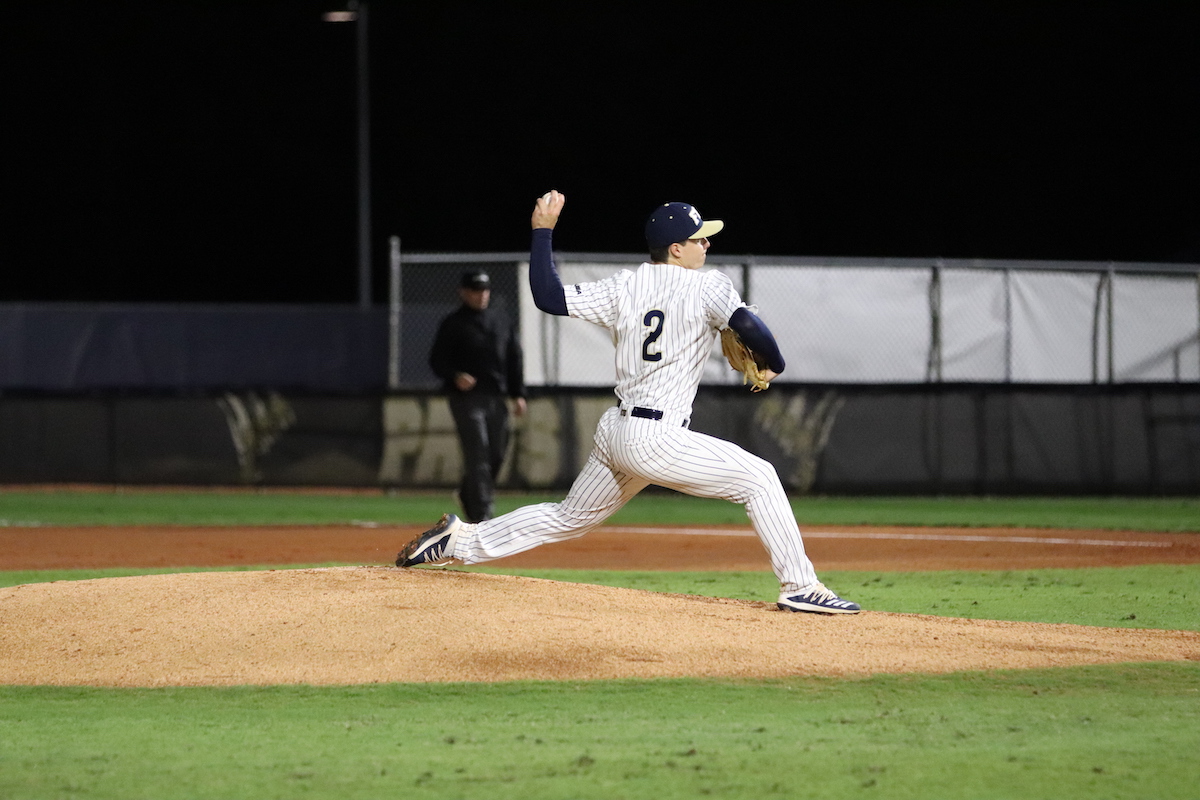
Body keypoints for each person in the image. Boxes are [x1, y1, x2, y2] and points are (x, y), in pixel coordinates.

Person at [401, 192, 859, 614]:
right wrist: (774, 361)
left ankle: (459, 540)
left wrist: (543, 230)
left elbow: (548, 296)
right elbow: (750, 327)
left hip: (617, 432)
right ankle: (800, 585)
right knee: (759, 478)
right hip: (657, 437)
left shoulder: (625, 286)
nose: (706, 246)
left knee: (569, 517)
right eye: (698, 239)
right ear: (675, 250)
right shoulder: (708, 286)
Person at [428, 269, 527, 522]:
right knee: (478, 453)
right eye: (475, 290)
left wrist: (518, 394)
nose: (480, 295)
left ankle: (467, 492)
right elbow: (437, 361)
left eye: (484, 290)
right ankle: (483, 513)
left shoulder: (501, 321)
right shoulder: (453, 323)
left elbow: (514, 358)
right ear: (463, 292)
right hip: (467, 399)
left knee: (497, 454)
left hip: (497, 398)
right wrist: (455, 375)